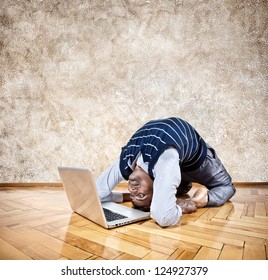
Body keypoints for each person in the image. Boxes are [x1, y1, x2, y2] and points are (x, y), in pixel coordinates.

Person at [96, 117, 236, 227]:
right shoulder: (164, 162)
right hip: (195, 164)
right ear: (157, 185)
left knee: (221, 187)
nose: (132, 189)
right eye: (141, 194)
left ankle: (182, 186)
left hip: (194, 160)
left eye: (133, 194)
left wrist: (127, 197)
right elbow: (164, 216)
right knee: (187, 189)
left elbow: (94, 193)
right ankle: (190, 192)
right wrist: (197, 201)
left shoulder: (129, 157)